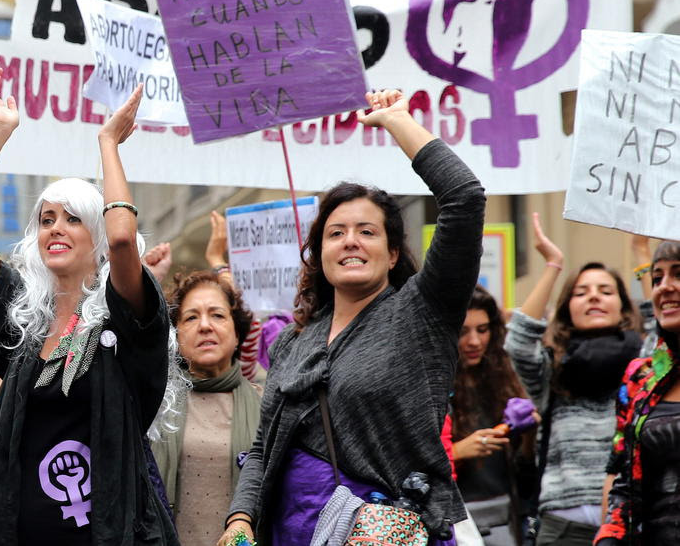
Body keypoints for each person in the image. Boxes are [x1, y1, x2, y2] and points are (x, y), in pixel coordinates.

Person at [222, 89, 486, 545]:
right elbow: (264, 446)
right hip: (293, 531)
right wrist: (241, 519)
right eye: (336, 233)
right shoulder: (293, 341)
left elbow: (465, 199)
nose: (350, 242)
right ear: (318, 253)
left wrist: (398, 121)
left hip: (382, 532)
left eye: (367, 232)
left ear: (392, 254)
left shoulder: (421, 312)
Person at [0, 70, 185, 544]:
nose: (56, 228)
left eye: (74, 219)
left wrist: (109, 143)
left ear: (94, 236)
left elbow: (120, 237)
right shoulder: (23, 321)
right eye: (47, 219)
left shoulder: (125, 320)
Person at [504, 215, 641, 546]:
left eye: (605, 290)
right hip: (562, 527)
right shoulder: (552, 368)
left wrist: (641, 253)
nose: (594, 297)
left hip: (630, 523)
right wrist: (553, 264)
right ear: (568, 309)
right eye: (582, 292)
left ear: (623, 306)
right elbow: (519, 343)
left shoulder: (646, 365)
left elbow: (659, 315)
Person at [152, 270, 261, 546]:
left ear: (237, 334)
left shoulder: (267, 405)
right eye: (191, 317)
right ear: (175, 334)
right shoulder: (155, 405)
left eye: (217, 315)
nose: (204, 326)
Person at [595, 240, 680, 545]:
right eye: (657, 279)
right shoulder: (641, 375)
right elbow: (623, 482)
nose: (663, 288)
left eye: (678, 274)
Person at [452, 285, 537, 546]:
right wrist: (457, 451)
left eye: (483, 329)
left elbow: (525, 472)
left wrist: (529, 433)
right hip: (455, 520)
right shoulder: (432, 385)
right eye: (463, 331)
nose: (474, 341)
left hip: (506, 518)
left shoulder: (504, 379)